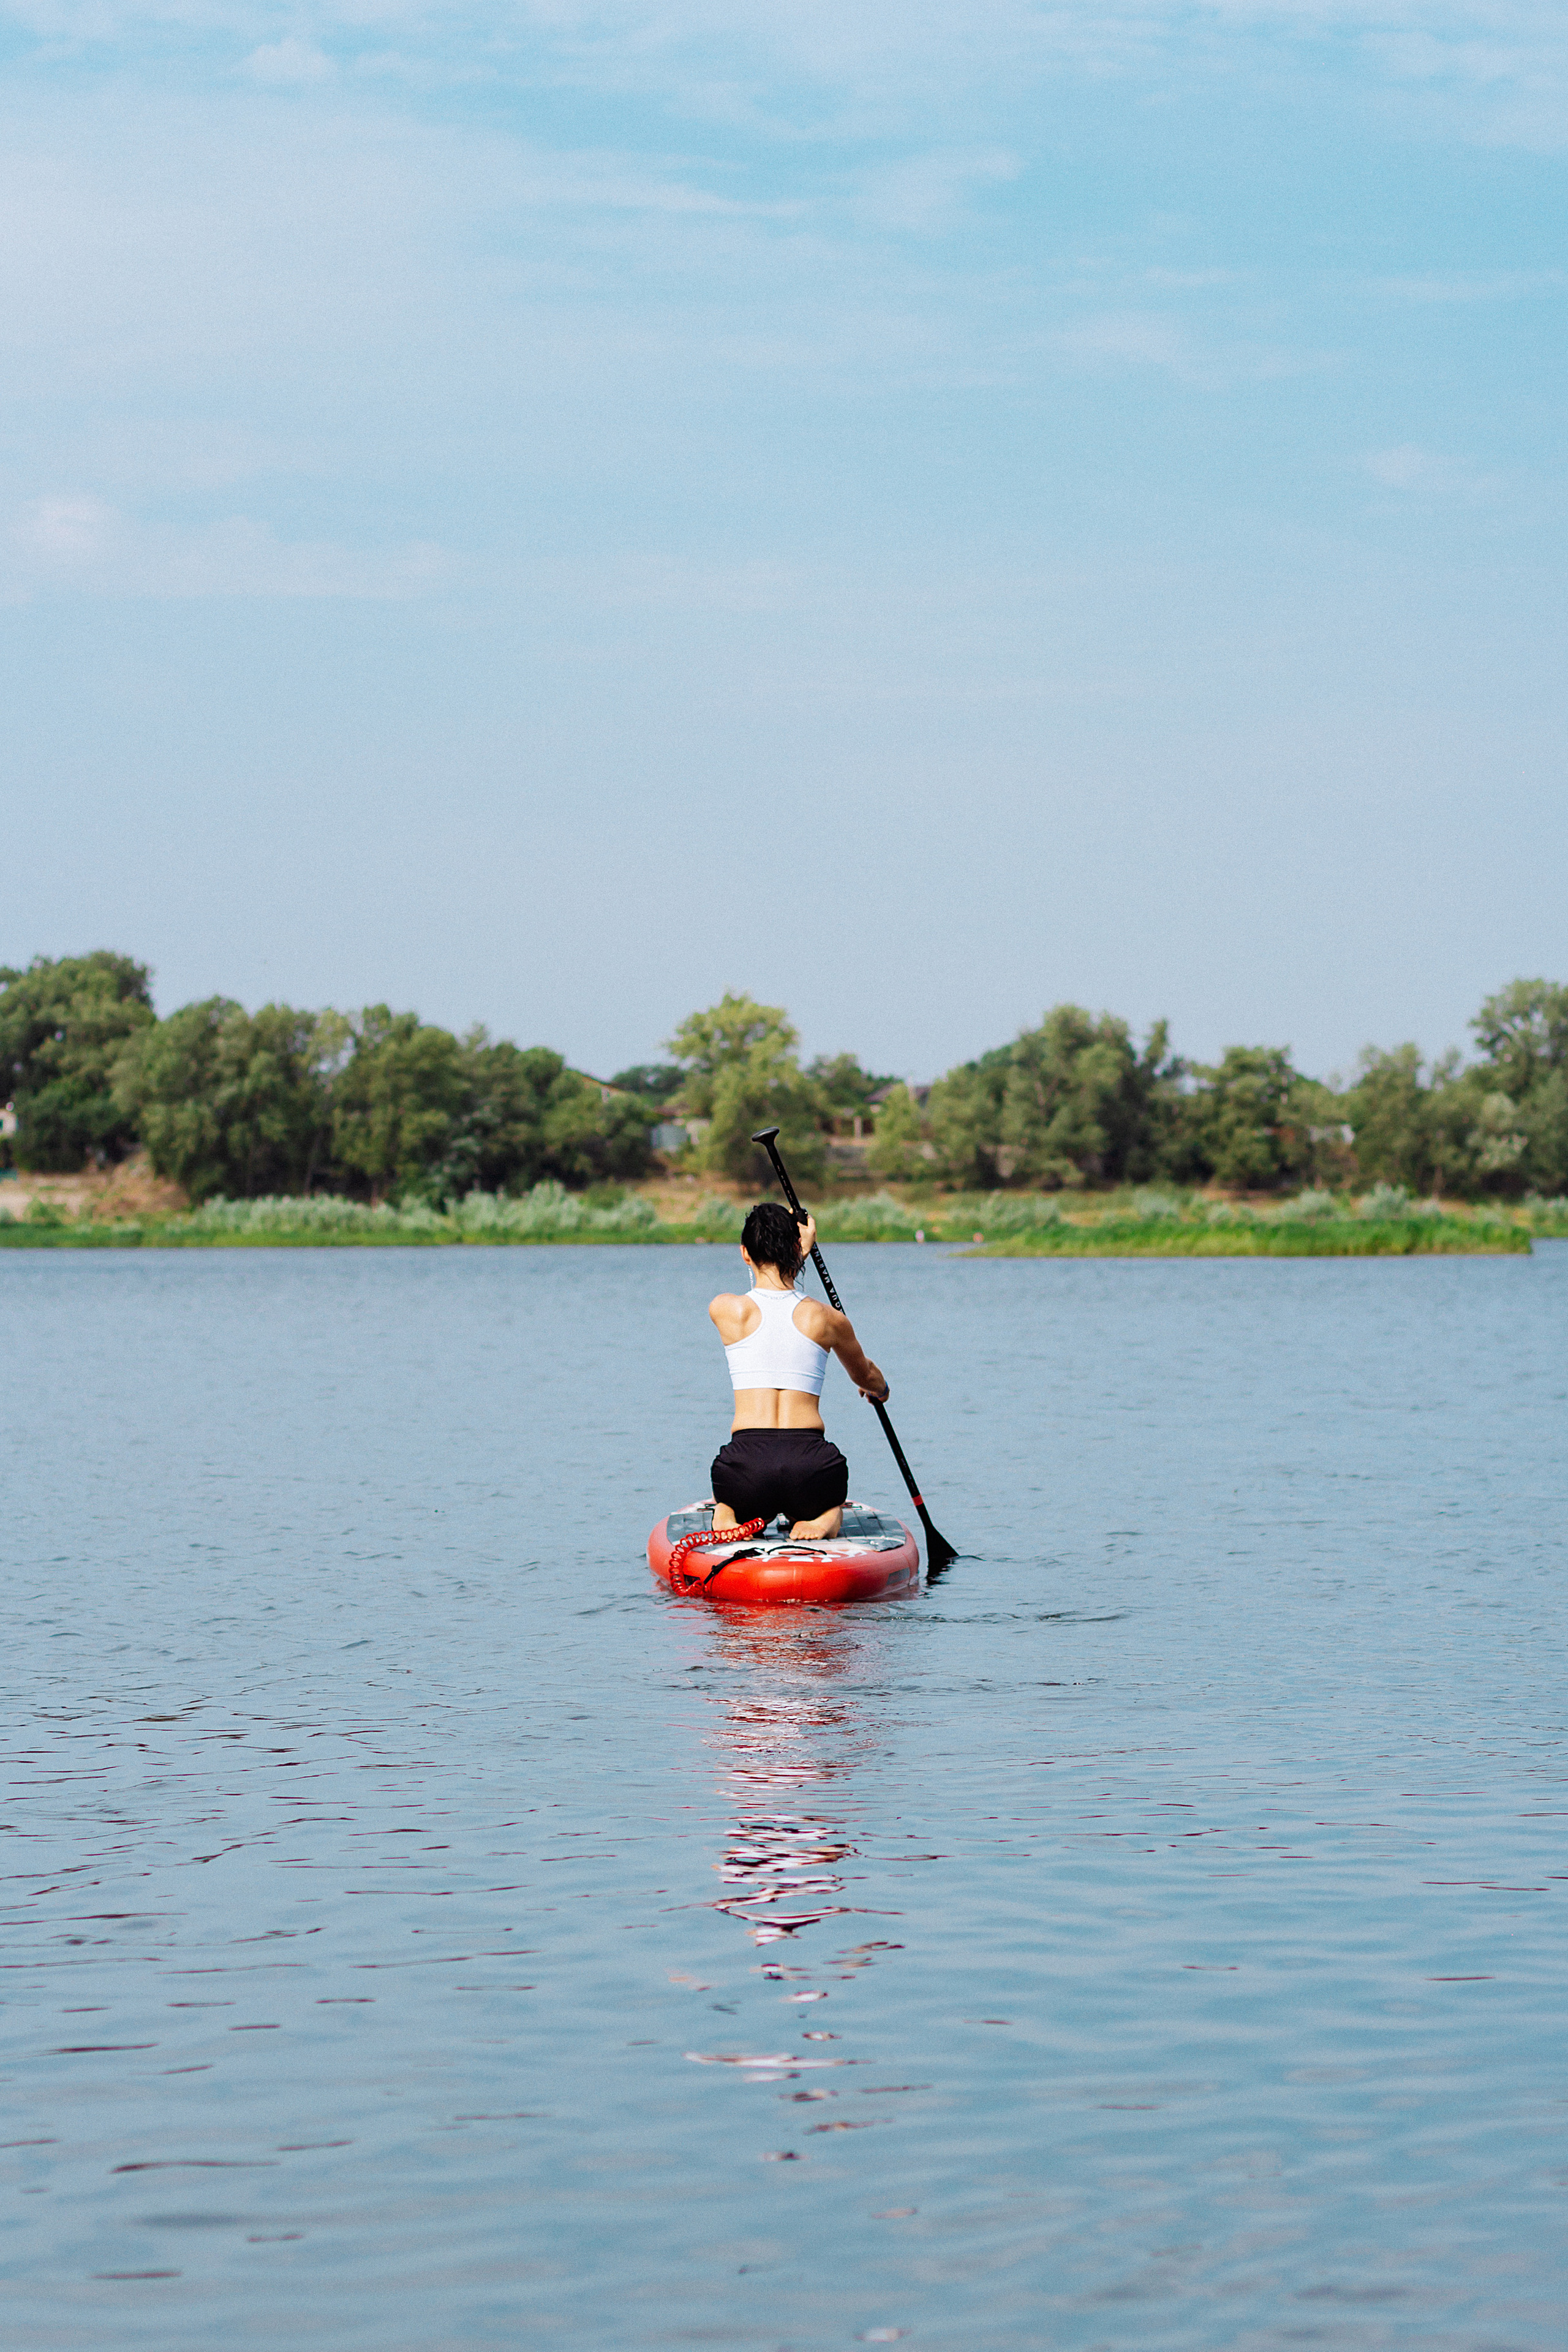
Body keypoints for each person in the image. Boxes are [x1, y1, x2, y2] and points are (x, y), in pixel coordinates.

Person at [708, 1200, 889, 1540]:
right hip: (809, 1467)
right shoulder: (827, 1318)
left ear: (745, 1253)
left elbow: (771, 1293)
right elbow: (866, 1376)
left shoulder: (726, 1309)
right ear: (796, 1248)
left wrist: (795, 1254)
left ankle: (729, 1518)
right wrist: (880, 1389)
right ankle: (824, 1519)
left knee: (728, 1497)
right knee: (829, 1495)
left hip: (747, 1469)